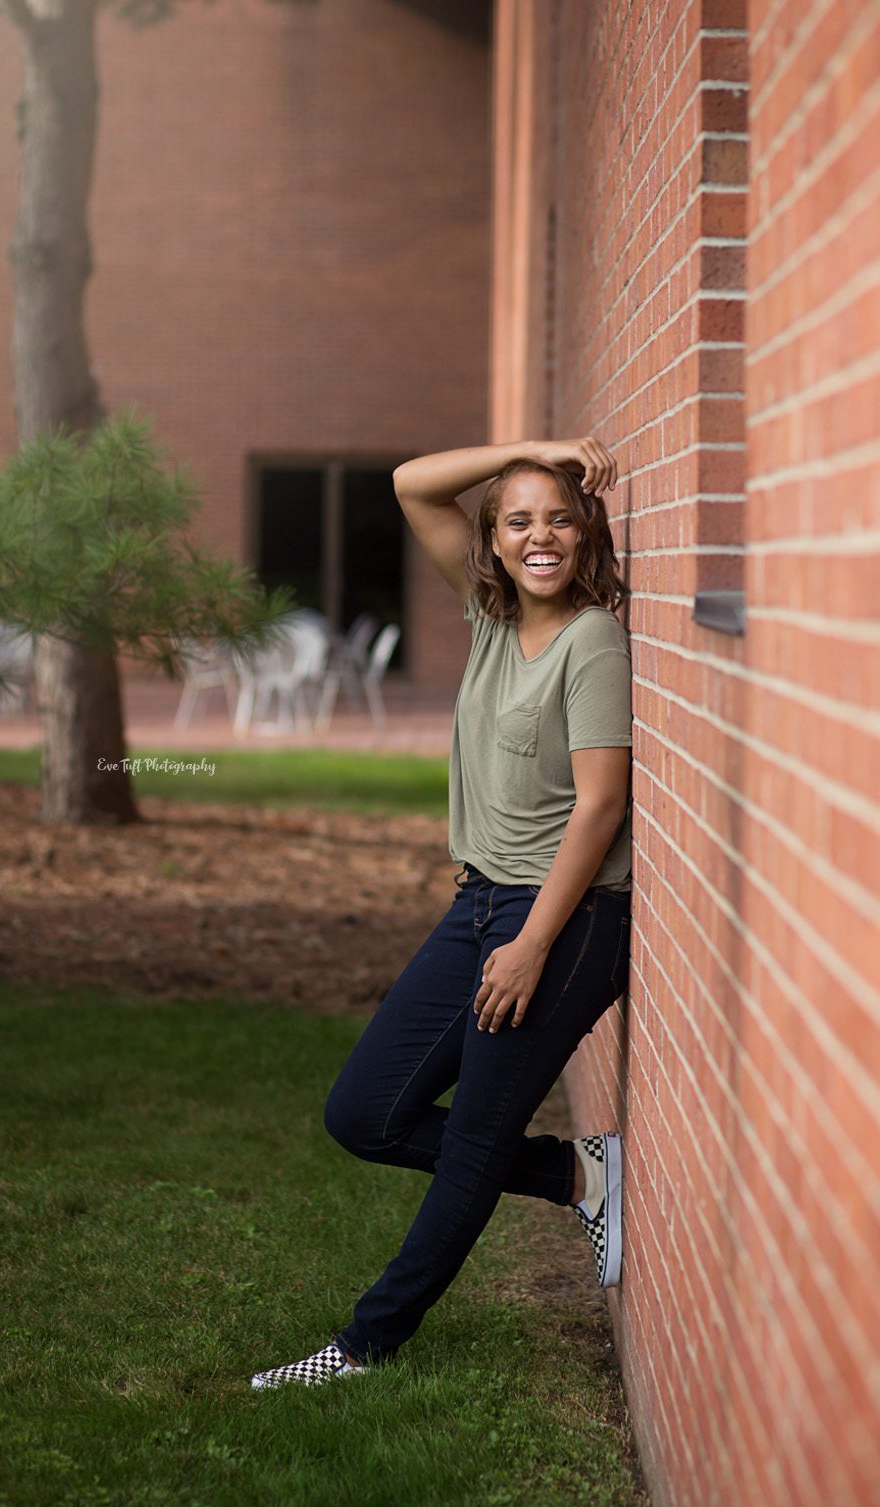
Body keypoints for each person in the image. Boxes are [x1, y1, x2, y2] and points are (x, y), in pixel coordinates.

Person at [250, 438, 636, 1390]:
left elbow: (600, 805)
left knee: (470, 1142)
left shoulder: (592, 640)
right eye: (518, 519)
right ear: (494, 543)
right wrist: (529, 452)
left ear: (586, 532)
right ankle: (578, 1176)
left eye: (559, 516)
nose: (540, 535)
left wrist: (530, 945)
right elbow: (408, 484)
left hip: (567, 914)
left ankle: (365, 1343)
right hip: (478, 902)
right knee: (364, 1112)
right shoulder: (490, 621)